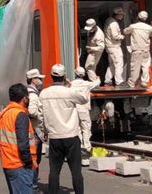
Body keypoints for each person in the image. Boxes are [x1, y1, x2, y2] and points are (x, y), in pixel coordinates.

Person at [40, 64, 88, 194]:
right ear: (64, 77)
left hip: (54, 137)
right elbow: (84, 99)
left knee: (54, 171)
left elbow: (41, 114)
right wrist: (70, 85)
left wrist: (44, 131)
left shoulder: (44, 93)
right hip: (71, 136)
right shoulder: (69, 92)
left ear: (51, 77)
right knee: (76, 171)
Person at [0, 83, 37, 194]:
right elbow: (23, 144)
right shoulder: (20, 115)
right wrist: (28, 162)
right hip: (19, 164)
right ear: (24, 99)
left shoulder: (3, 113)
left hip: (7, 162)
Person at [70, 67, 100, 153]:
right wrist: (98, 78)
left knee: (77, 128)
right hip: (84, 109)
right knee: (86, 128)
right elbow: (97, 83)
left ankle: (79, 146)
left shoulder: (71, 84)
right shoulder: (87, 84)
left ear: (75, 74)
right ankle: (87, 147)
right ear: (84, 75)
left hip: (74, 109)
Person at [123, 11, 152, 88]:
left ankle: (131, 82)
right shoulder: (149, 27)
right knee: (145, 66)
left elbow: (125, 31)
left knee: (135, 67)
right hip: (146, 50)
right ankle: (144, 82)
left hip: (137, 50)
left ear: (137, 17)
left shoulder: (133, 26)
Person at [25, 69, 44, 191]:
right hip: (35, 131)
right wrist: (41, 114)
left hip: (31, 130)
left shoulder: (27, 92)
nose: (41, 81)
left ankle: (31, 182)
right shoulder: (33, 95)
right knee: (35, 158)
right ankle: (33, 184)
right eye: (39, 78)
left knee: (32, 158)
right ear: (33, 80)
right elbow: (32, 112)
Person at [104, 7, 125, 87]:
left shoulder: (108, 20)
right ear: (117, 14)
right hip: (114, 46)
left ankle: (108, 80)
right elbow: (115, 36)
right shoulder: (113, 23)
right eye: (120, 14)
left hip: (109, 46)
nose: (121, 16)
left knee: (112, 64)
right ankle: (119, 81)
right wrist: (122, 36)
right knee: (119, 63)